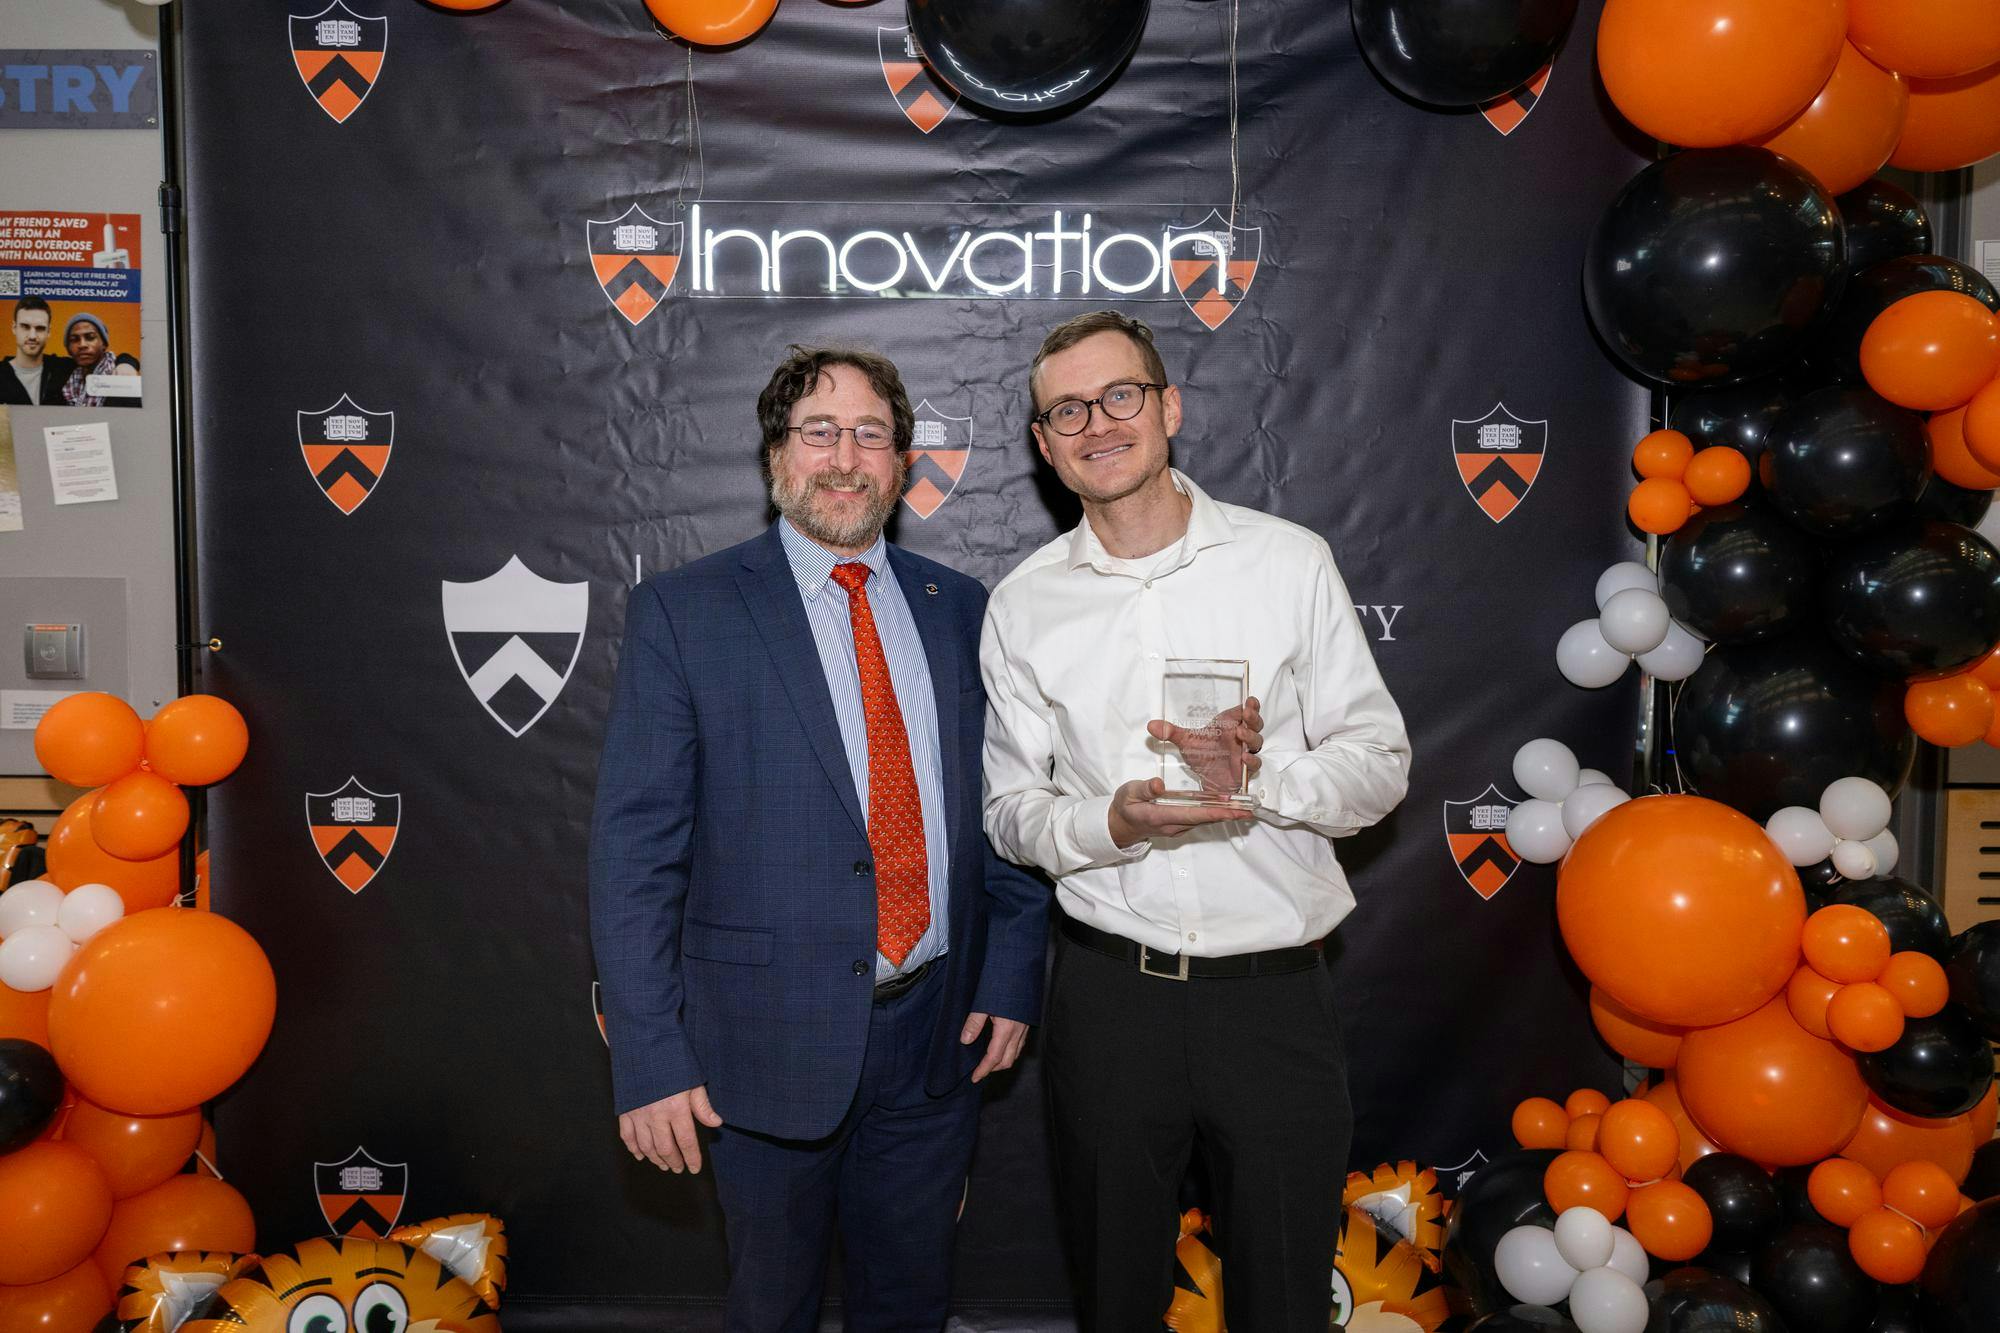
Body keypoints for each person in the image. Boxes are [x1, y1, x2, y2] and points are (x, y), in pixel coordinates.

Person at [589, 345, 1049, 1332]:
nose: (844, 457)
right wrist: (649, 1053)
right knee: (772, 1311)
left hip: (934, 1047)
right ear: (773, 456)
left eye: (870, 434)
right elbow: (636, 856)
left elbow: (1007, 806)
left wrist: (1010, 973)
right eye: (818, 431)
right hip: (755, 1053)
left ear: (901, 463)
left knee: (910, 1306)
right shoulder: (685, 612)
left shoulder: (961, 610)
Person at [980, 310, 1411, 1331]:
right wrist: (1111, 824)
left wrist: (1259, 778)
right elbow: (1008, 812)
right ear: (1044, 445)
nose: (1098, 423)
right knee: (1115, 1298)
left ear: (1167, 407)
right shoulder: (1023, 603)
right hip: (1108, 998)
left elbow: (1379, 767)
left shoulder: (1287, 563)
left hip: (1269, 1002)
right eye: (1066, 410)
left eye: (1120, 395)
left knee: (1282, 1300)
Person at [1, 298, 77, 406]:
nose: (32, 336)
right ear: (14, 328)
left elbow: (101, 364)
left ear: (48, 332)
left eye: (40, 328)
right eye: (25, 327)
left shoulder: (65, 369)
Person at [60, 313, 141, 408]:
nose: (82, 345)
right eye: (74, 339)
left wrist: (127, 363)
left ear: (104, 344)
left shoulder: (121, 376)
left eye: (90, 337)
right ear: (68, 349)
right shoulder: (66, 373)